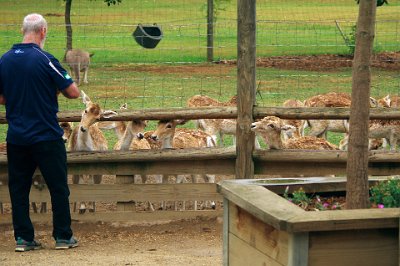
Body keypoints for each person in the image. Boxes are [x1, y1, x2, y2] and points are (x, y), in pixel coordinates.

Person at [0, 13, 80, 252]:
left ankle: (23, 238)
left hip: (17, 137)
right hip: (46, 135)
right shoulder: (46, 59)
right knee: (57, 187)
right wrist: (49, 92)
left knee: (19, 188)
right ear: (43, 31)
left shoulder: (4, 60)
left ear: (22, 30)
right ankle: (63, 236)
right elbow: (73, 92)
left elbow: (2, 97)